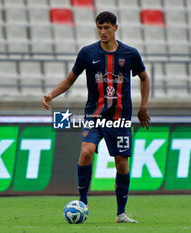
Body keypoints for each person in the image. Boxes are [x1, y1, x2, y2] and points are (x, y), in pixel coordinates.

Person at [42, 11, 150, 223]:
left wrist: (143, 107)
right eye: (99, 28)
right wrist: (52, 94)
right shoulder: (87, 53)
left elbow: (144, 79)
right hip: (94, 116)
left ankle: (120, 213)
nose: (102, 32)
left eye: (106, 28)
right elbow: (70, 79)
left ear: (115, 28)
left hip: (119, 119)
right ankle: (83, 203)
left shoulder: (130, 54)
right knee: (86, 150)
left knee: (121, 163)